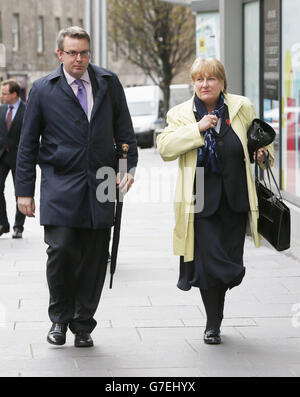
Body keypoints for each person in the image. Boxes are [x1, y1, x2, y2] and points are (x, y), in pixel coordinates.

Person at [15, 26, 138, 347]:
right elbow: (27, 145)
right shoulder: (43, 89)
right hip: (60, 183)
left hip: (102, 183)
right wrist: (24, 191)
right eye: (72, 53)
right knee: (61, 251)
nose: (79, 59)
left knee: (96, 256)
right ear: (60, 54)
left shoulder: (108, 83)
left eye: (84, 52)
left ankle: (83, 324)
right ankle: (59, 318)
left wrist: (128, 168)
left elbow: (125, 133)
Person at [157, 58, 274, 345]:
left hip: (235, 198)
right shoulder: (181, 113)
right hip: (199, 199)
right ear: (193, 83)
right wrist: (197, 128)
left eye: (211, 79)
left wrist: (262, 155)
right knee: (210, 264)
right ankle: (212, 324)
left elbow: (261, 145)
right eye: (199, 79)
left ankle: (216, 314)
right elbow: (165, 148)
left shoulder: (241, 107)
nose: (205, 84)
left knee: (230, 264)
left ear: (222, 82)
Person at [0, 80, 26, 239]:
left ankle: (18, 226)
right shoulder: (1, 110)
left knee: (20, 192)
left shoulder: (27, 110)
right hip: (2, 156)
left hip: (20, 157)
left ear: (14, 94)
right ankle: (3, 223)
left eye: (4, 93)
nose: (1, 96)